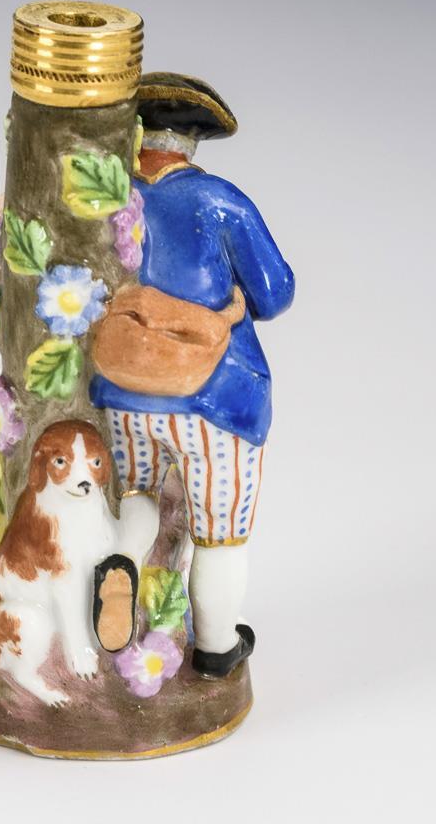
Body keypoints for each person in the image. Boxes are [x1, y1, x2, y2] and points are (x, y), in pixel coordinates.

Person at [90, 73, 295, 677]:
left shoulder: (109, 195)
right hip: (214, 397)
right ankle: (216, 647)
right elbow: (275, 291)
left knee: (137, 495)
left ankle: (122, 561)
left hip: (122, 389)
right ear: (192, 142)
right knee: (219, 532)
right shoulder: (220, 200)